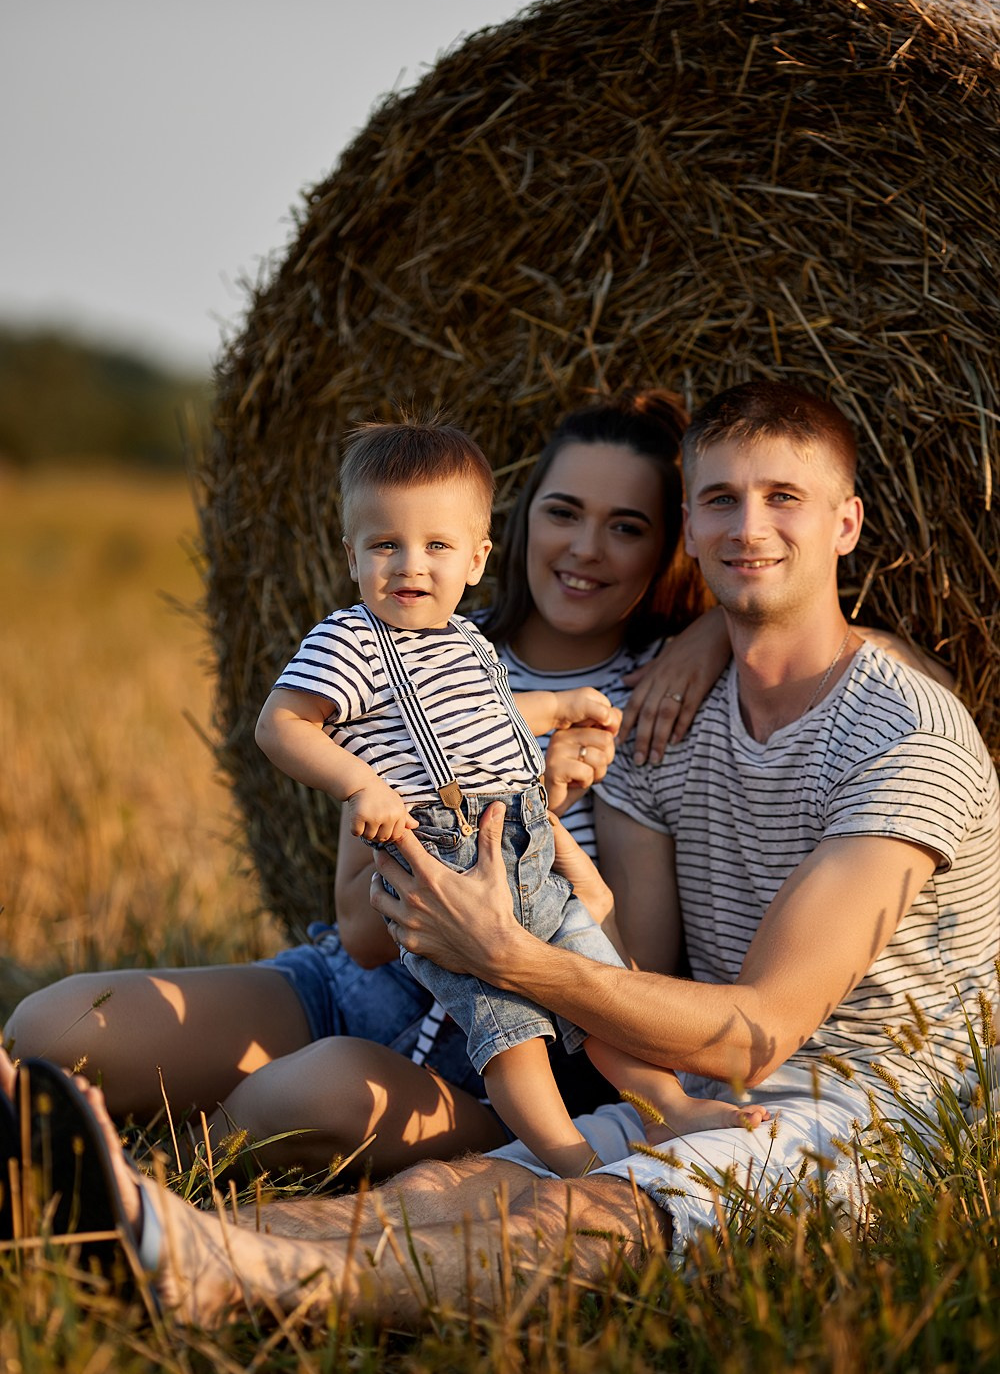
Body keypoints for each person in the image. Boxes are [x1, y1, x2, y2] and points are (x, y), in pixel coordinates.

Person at [2, 378, 994, 1327]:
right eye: (720, 500)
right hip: (680, 1073)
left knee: (573, 1218)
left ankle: (225, 1267)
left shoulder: (900, 740)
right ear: (692, 527)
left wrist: (507, 949)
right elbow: (629, 962)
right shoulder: (661, 727)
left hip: (872, 1105)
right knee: (449, 1187)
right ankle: (157, 1233)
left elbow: (759, 1033)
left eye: (784, 499)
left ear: (847, 524)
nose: (748, 527)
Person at [2, 391, 732, 1177]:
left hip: (502, 1059)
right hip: (359, 985)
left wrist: (714, 628)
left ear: (671, 546)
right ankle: (108, 1134)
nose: (586, 546)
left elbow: (635, 975)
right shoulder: (418, 650)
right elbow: (360, 931)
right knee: (51, 1026)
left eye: (627, 526)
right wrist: (475, 803)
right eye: (563, 512)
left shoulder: (657, 703)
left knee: (323, 1090)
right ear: (516, 529)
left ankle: (157, 1172)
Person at [256, 420, 764, 1176]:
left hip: (530, 853)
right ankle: (563, 1152)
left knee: (596, 985)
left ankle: (668, 1108)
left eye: (626, 527)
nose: (410, 564)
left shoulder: (471, 646)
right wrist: (363, 785)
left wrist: (711, 633)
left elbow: (491, 727)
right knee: (508, 1030)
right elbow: (283, 726)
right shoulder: (356, 641)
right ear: (351, 555)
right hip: (434, 875)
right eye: (385, 545)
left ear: (476, 554)